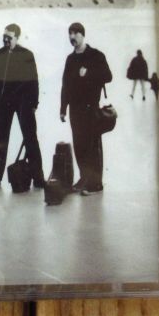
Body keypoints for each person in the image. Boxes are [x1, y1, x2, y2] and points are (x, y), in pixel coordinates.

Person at [0, 23, 46, 189]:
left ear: (17, 38)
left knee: (30, 138)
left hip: (23, 102)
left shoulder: (27, 55)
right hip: (3, 103)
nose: (6, 40)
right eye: (4, 37)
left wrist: (33, 102)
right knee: (0, 140)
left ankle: (38, 178)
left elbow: (33, 81)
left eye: (9, 38)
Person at [60, 22, 112, 195]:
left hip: (91, 107)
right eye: (70, 34)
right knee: (79, 144)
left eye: (75, 33)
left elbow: (108, 76)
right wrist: (63, 108)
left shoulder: (96, 55)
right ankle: (84, 178)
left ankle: (95, 183)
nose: (72, 37)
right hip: (75, 109)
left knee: (92, 145)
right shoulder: (70, 59)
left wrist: (88, 73)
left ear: (83, 35)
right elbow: (65, 85)